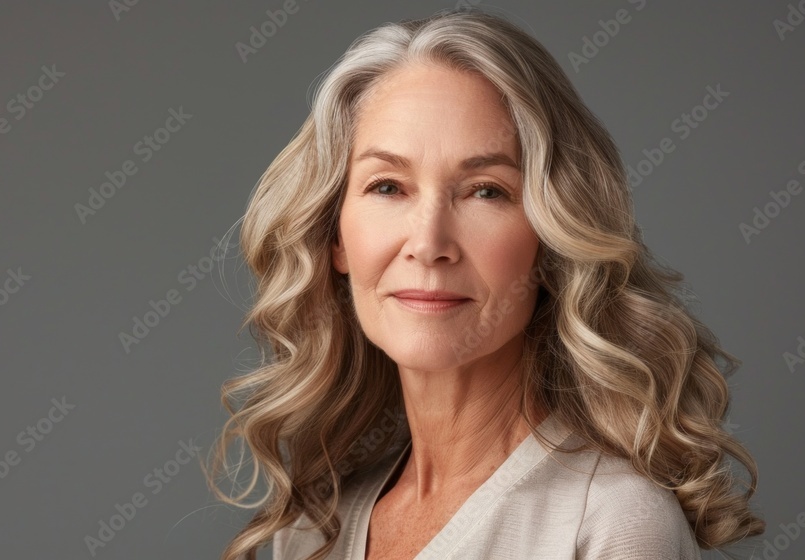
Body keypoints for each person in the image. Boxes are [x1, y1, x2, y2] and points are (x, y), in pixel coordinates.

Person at [204, 8, 766, 560]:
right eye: (388, 187)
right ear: (336, 237)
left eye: (486, 191)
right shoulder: (314, 524)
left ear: (551, 239)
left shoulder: (613, 524)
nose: (428, 243)